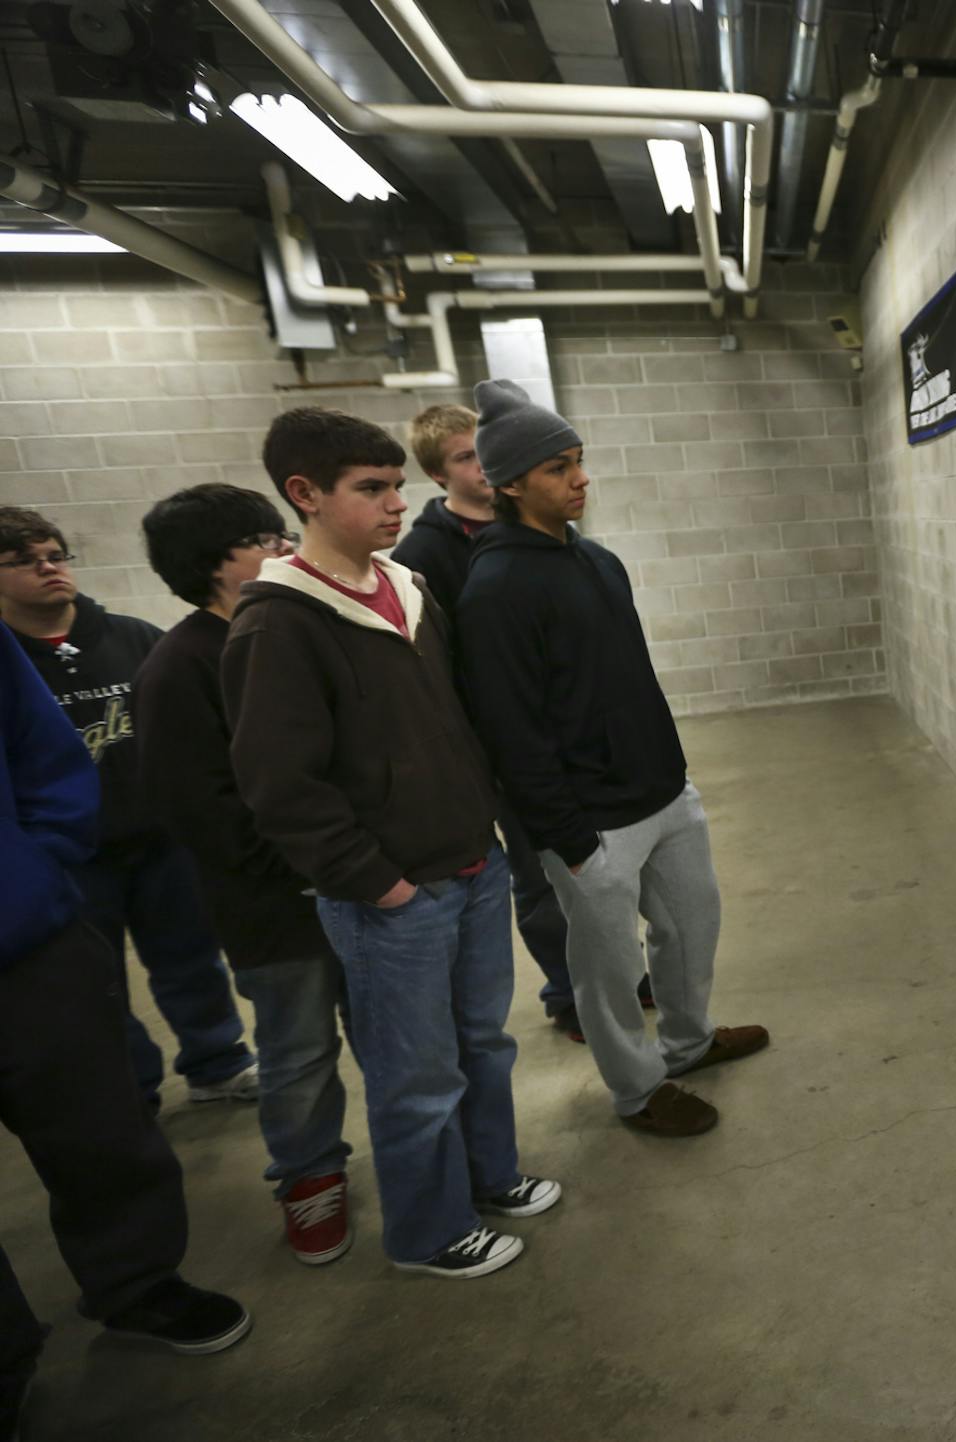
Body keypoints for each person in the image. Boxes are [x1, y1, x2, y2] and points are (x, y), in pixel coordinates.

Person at [223, 407, 559, 1279]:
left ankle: (492, 1179)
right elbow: (279, 786)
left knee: (483, 1045)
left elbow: (452, 722)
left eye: (397, 486)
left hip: (472, 865)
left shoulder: (407, 589)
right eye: (370, 489)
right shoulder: (280, 619)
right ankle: (428, 1231)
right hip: (394, 897)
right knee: (417, 1079)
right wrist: (379, 885)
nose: (394, 504)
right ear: (305, 495)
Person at [456, 380, 767, 1139]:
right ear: (512, 484)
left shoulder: (597, 561)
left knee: (691, 928)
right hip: (591, 821)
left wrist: (676, 773)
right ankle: (636, 1088)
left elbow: (630, 682)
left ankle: (688, 1045)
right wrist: (570, 839)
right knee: (606, 972)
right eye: (559, 467)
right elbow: (512, 734)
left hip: (664, 793)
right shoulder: (494, 588)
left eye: (578, 461)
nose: (580, 478)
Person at [3, 626, 250, 1439]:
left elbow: (41, 747)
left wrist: (41, 861)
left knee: (98, 1124)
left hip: (23, 938)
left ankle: (137, 1282)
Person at [135, 484, 358, 1266]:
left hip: (358, 883)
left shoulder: (294, 630)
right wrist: (312, 865)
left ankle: (424, 1157)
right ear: (213, 564)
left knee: (395, 1033)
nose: (286, 546)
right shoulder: (177, 668)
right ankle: (309, 1179)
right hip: (277, 908)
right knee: (298, 1055)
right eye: (264, 537)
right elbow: (204, 812)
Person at [0, 506, 256, 1111]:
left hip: (160, 840)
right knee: (98, 982)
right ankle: (131, 1085)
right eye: (24, 562)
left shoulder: (132, 637)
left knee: (191, 960)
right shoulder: (11, 664)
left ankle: (217, 1063)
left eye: (56, 555)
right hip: (71, 857)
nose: (48, 569)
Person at [391, 403, 585, 1039]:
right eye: (463, 457)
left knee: (593, 864)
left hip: (567, 731)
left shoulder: (542, 527)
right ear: (437, 473)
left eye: (483, 450)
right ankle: (568, 993)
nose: (480, 464)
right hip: (497, 742)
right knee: (538, 874)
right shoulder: (422, 553)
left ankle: (613, 972)